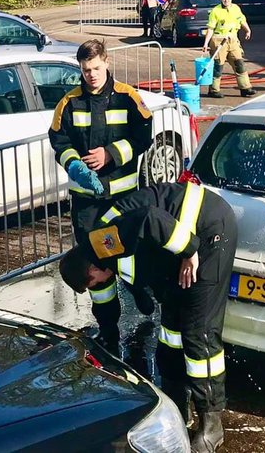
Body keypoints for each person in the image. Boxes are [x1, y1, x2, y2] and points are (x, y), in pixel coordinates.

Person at [60, 181, 237, 452]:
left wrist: (189, 251)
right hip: (178, 252)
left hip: (206, 232)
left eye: (92, 283)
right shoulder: (102, 254)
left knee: (198, 333)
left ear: (92, 267)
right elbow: (136, 263)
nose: (97, 286)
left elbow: (150, 217)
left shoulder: (103, 241)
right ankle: (178, 409)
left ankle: (211, 425)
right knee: (170, 335)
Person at [49, 39, 155, 349]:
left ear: (106, 62)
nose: (91, 75)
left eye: (95, 68)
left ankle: (137, 288)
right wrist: (75, 166)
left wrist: (111, 154)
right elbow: (59, 139)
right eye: (85, 70)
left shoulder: (127, 97)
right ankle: (109, 330)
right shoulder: (69, 103)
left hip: (122, 198)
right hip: (87, 204)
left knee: (128, 253)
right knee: (94, 262)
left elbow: (143, 137)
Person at [202, 0, 255, 99]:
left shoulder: (236, 8)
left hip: (233, 40)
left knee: (239, 63)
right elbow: (210, 28)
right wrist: (206, 43)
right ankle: (214, 90)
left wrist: (248, 30)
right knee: (218, 66)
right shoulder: (215, 11)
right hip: (218, 40)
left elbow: (242, 20)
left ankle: (245, 88)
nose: (226, 0)